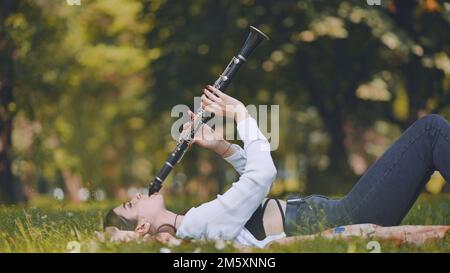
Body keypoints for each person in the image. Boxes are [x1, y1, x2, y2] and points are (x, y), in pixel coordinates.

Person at [104, 85, 450, 248]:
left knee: (430, 131)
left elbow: (251, 189)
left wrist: (221, 146)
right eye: (132, 205)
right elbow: (263, 175)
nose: (137, 194)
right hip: (348, 217)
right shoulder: (198, 224)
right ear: (143, 227)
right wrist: (241, 115)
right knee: (430, 129)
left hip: (343, 212)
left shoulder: (196, 222)